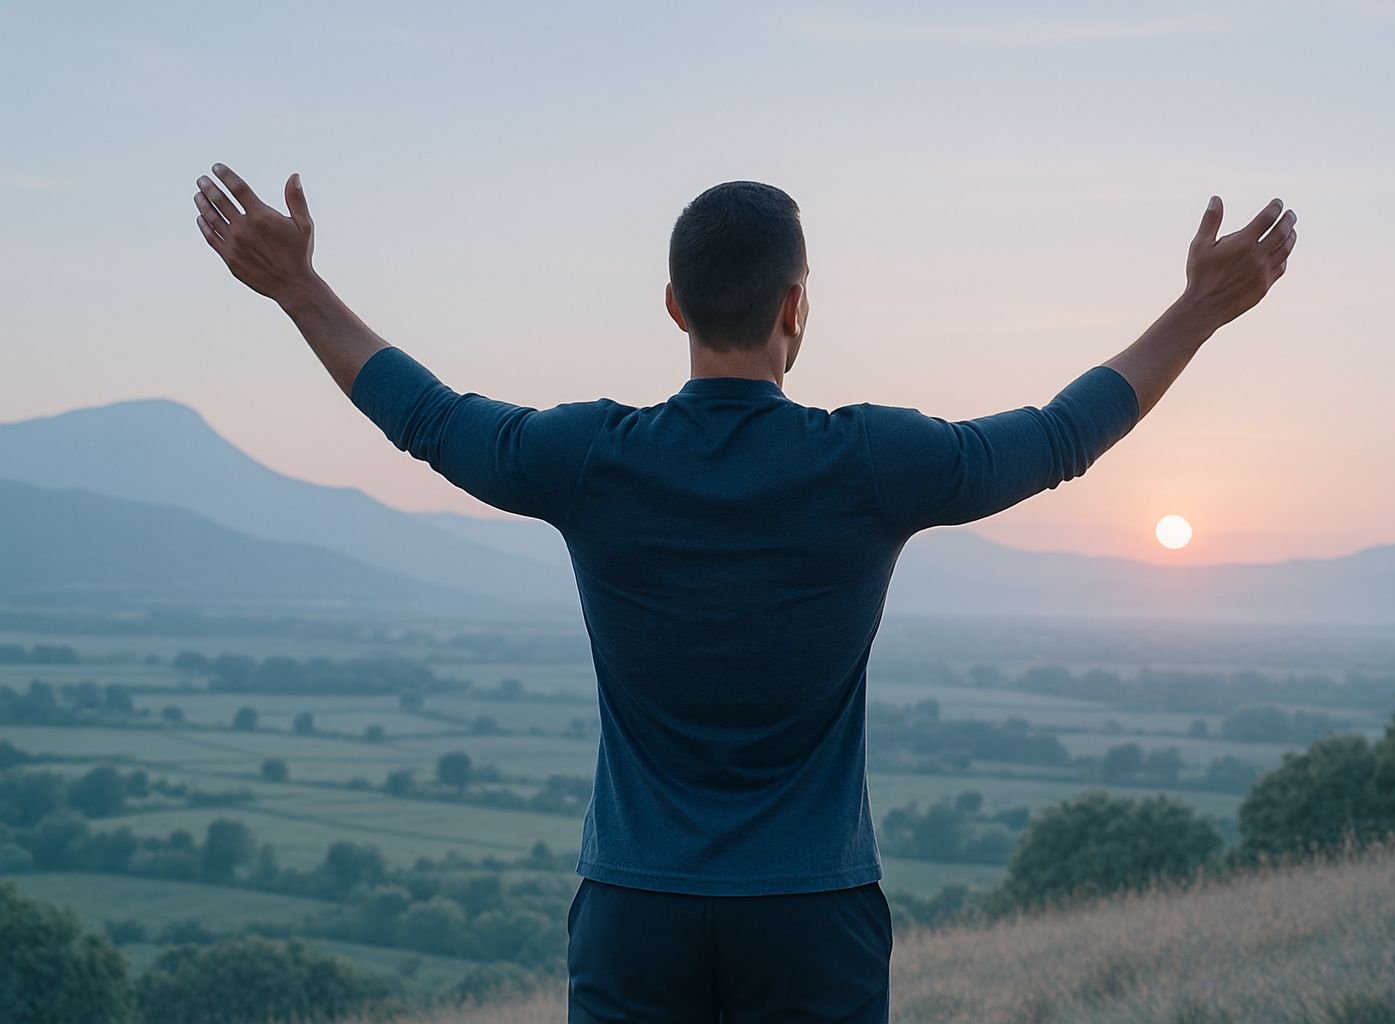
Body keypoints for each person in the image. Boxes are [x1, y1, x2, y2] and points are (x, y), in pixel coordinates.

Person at [193, 165, 1296, 1023]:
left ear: (674, 304)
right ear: (794, 306)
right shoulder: (872, 462)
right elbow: (1061, 436)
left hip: (635, 913)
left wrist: (295, 285)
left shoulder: (589, 457)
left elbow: (425, 416)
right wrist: (1198, 309)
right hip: (813, 917)